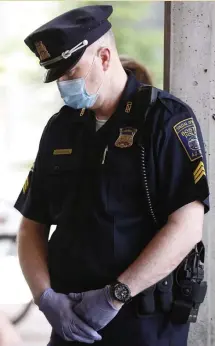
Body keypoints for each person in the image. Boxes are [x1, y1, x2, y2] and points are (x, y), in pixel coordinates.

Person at [15, 4, 210, 346]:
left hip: (142, 324)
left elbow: (187, 226)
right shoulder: (62, 127)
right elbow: (32, 223)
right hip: (69, 322)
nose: (64, 83)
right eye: (57, 76)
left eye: (71, 71)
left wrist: (114, 296)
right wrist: (45, 298)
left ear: (104, 58)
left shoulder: (165, 121)